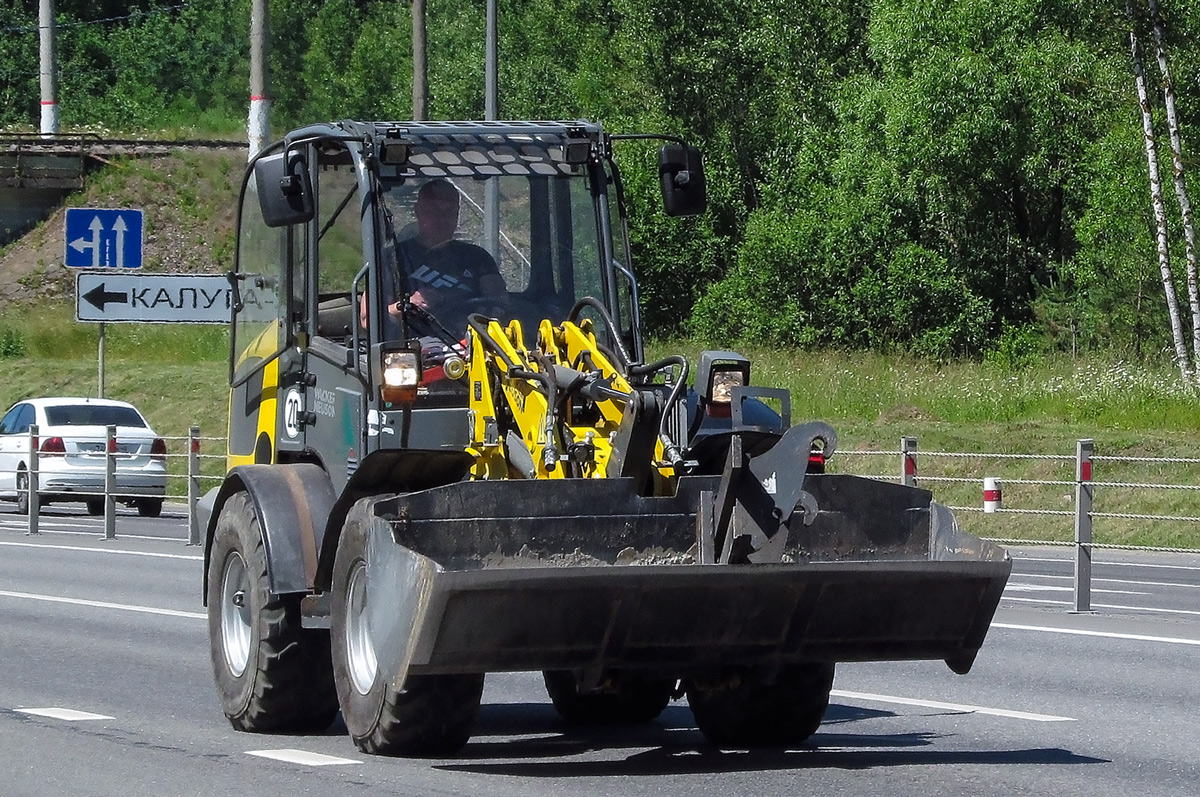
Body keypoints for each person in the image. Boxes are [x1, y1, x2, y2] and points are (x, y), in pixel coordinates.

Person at [386, 178, 508, 331]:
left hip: (468, 344)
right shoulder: (392, 258)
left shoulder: (478, 257)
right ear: (418, 211)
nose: (443, 218)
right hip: (412, 347)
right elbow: (367, 319)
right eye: (435, 210)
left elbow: (499, 303)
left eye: (450, 212)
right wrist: (410, 304)